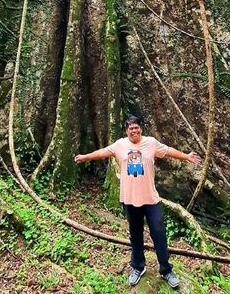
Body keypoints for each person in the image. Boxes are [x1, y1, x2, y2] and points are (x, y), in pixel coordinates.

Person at [74, 116, 202, 289]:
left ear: (140, 129)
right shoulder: (120, 145)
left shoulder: (151, 143)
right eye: (130, 128)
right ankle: (138, 267)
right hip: (130, 199)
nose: (134, 131)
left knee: (158, 233)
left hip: (150, 199)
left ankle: (166, 270)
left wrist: (186, 157)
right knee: (135, 235)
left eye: (136, 128)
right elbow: (103, 152)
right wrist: (85, 157)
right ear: (126, 131)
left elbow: (168, 150)